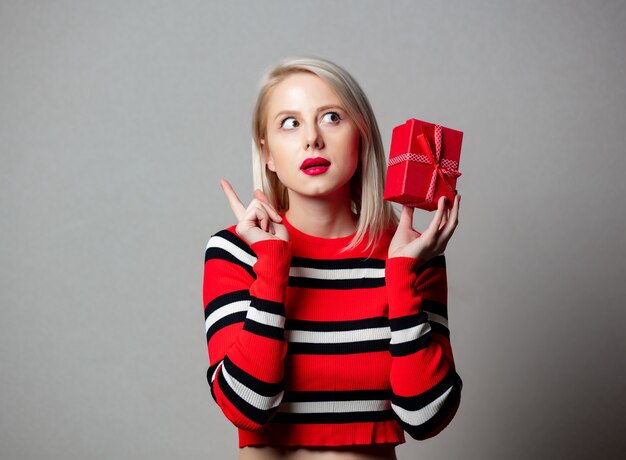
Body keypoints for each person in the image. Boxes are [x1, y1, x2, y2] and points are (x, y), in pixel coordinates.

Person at [202, 57, 462, 460]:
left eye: (331, 117)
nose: (312, 139)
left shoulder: (409, 252)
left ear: (361, 135)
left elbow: (427, 417)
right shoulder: (236, 251)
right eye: (290, 122)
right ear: (267, 153)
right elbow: (246, 409)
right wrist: (272, 262)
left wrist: (401, 274)